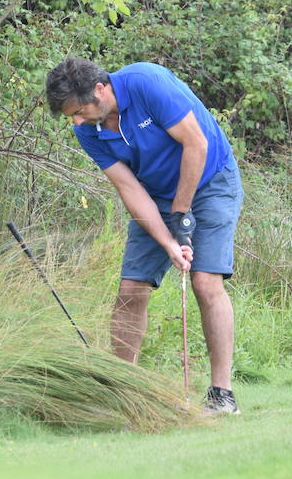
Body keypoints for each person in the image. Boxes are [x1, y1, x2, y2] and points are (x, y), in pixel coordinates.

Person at [45, 57, 244, 415]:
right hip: (155, 195)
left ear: (100, 90)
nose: (76, 121)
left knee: (205, 281)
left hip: (211, 180)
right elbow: (129, 189)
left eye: (78, 110)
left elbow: (195, 145)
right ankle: (125, 394)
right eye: (69, 116)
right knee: (131, 290)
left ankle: (221, 395)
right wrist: (168, 242)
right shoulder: (87, 131)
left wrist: (181, 216)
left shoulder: (147, 82)